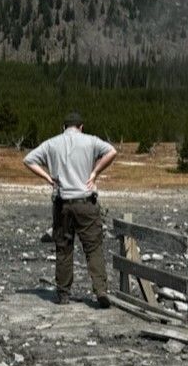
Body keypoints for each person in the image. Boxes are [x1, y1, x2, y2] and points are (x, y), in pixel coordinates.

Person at [23, 111, 118, 307]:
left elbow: (28, 160)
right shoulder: (91, 141)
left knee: (64, 248)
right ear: (81, 126)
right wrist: (94, 173)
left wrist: (48, 178)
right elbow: (112, 152)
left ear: (64, 127)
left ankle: (64, 294)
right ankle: (100, 290)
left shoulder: (51, 143)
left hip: (62, 202)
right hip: (86, 201)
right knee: (93, 248)